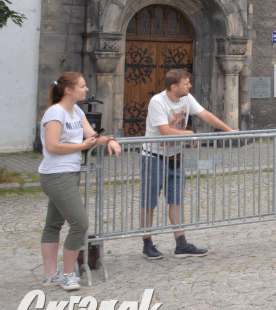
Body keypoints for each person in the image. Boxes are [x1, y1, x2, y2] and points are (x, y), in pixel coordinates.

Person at [38, 72, 122, 291]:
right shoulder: (55, 112)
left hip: (68, 173)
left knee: (53, 224)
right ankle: (67, 275)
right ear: (68, 90)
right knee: (80, 223)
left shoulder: (75, 110)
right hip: (56, 174)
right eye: (83, 86)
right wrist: (81, 147)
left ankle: (50, 275)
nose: (86, 89)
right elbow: (52, 146)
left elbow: (91, 135)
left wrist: (110, 140)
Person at [140, 69, 235, 259]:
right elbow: (165, 131)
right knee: (149, 202)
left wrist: (228, 130)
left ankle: (181, 244)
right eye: (186, 83)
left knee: (176, 200)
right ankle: (147, 243)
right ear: (174, 86)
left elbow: (205, 114)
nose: (189, 86)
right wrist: (189, 134)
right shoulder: (157, 102)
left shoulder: (187, 98)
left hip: (175, 156)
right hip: (153, 156)